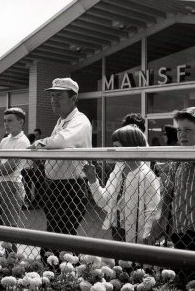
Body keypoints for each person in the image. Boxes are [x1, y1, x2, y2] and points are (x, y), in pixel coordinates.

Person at [28, 77, 92, 260]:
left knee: (63, 237)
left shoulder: (80, 120)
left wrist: (39, 143)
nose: (53, 100)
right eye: (52, 95)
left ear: (73, 99)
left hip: (70, 187)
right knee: (55, 234)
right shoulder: (61, 120)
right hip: (54, 186)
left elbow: (63, 140)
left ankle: (63, 272)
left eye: (59, 96)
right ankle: (56, 271)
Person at [83, 125, 160, 244]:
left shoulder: (146, 175)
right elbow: (103, 201)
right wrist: (93, 180)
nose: (114, 152)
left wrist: (147, 234)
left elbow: (152, 209)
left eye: (117, 148)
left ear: (131, 147)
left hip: (137, 234)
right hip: (117, 228)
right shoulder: (118, 171)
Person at [149, 107, 195, 284]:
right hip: (179, 229)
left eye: (188, 130)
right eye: (179, 130)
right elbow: (168, 195)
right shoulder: (177, 160)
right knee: (181, 276)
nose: (182, 135)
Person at [0, 107, 30, 251]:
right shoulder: (5, 140)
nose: (6, 124)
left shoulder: (23, 141)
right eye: (5, 121)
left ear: (21, 122)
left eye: (10, 121)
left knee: (9, 230)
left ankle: (11, 263)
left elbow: (8, 168)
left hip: (13, 186)